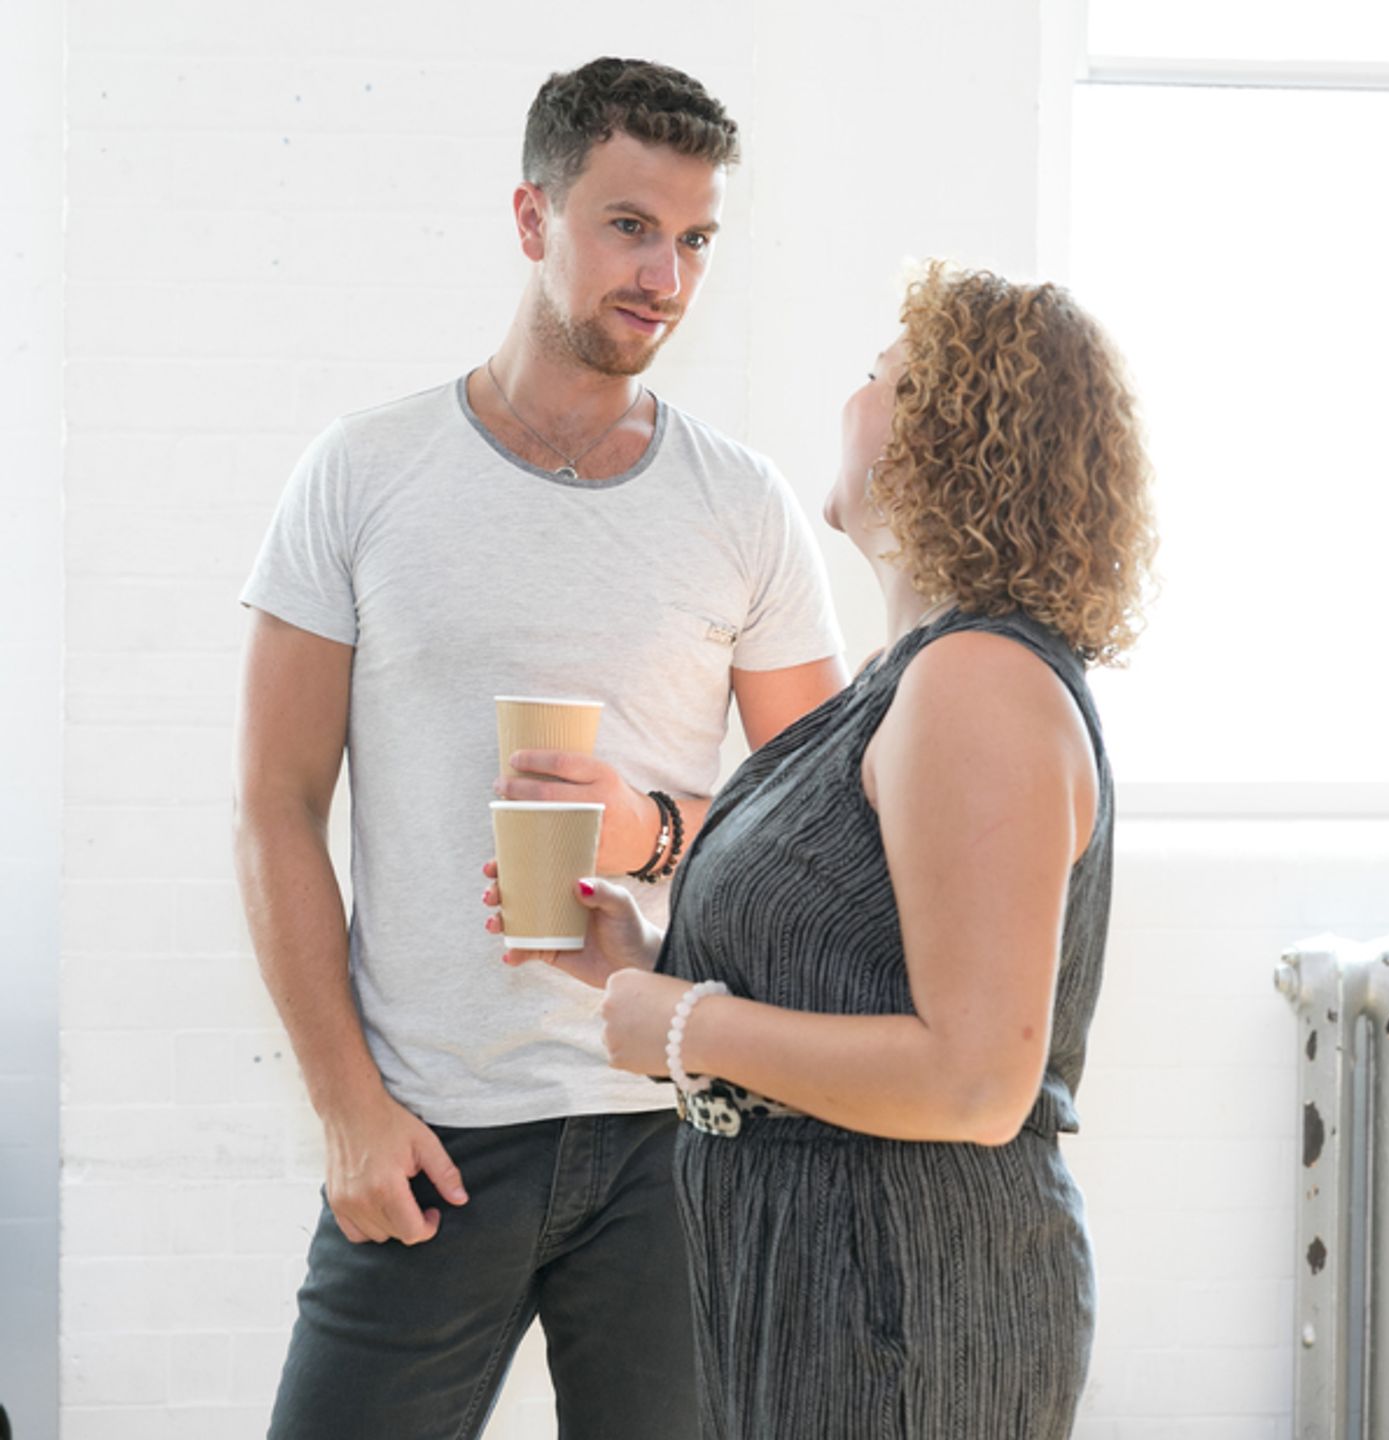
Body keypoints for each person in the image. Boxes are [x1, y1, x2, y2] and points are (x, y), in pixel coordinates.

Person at [233, 57, 845, 1440]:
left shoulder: (741, 508)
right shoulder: (363, 474)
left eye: (695, 241)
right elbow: (273, 806)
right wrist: (347, 1109)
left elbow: (816, 839)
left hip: (678, 1133)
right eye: (631, 225)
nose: (667, 277)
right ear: (533, 217)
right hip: (432, 1135)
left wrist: (651, 831)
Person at [488, 259, 1156, 1438]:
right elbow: (860, 968)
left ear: (937, 438)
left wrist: (683, 1030)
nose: (850, 400)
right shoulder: (917, 679)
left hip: (907, 1302)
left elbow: (974, 1079)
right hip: (826, 1293)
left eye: (876, 378)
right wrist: (646, 954)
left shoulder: (976, 685)